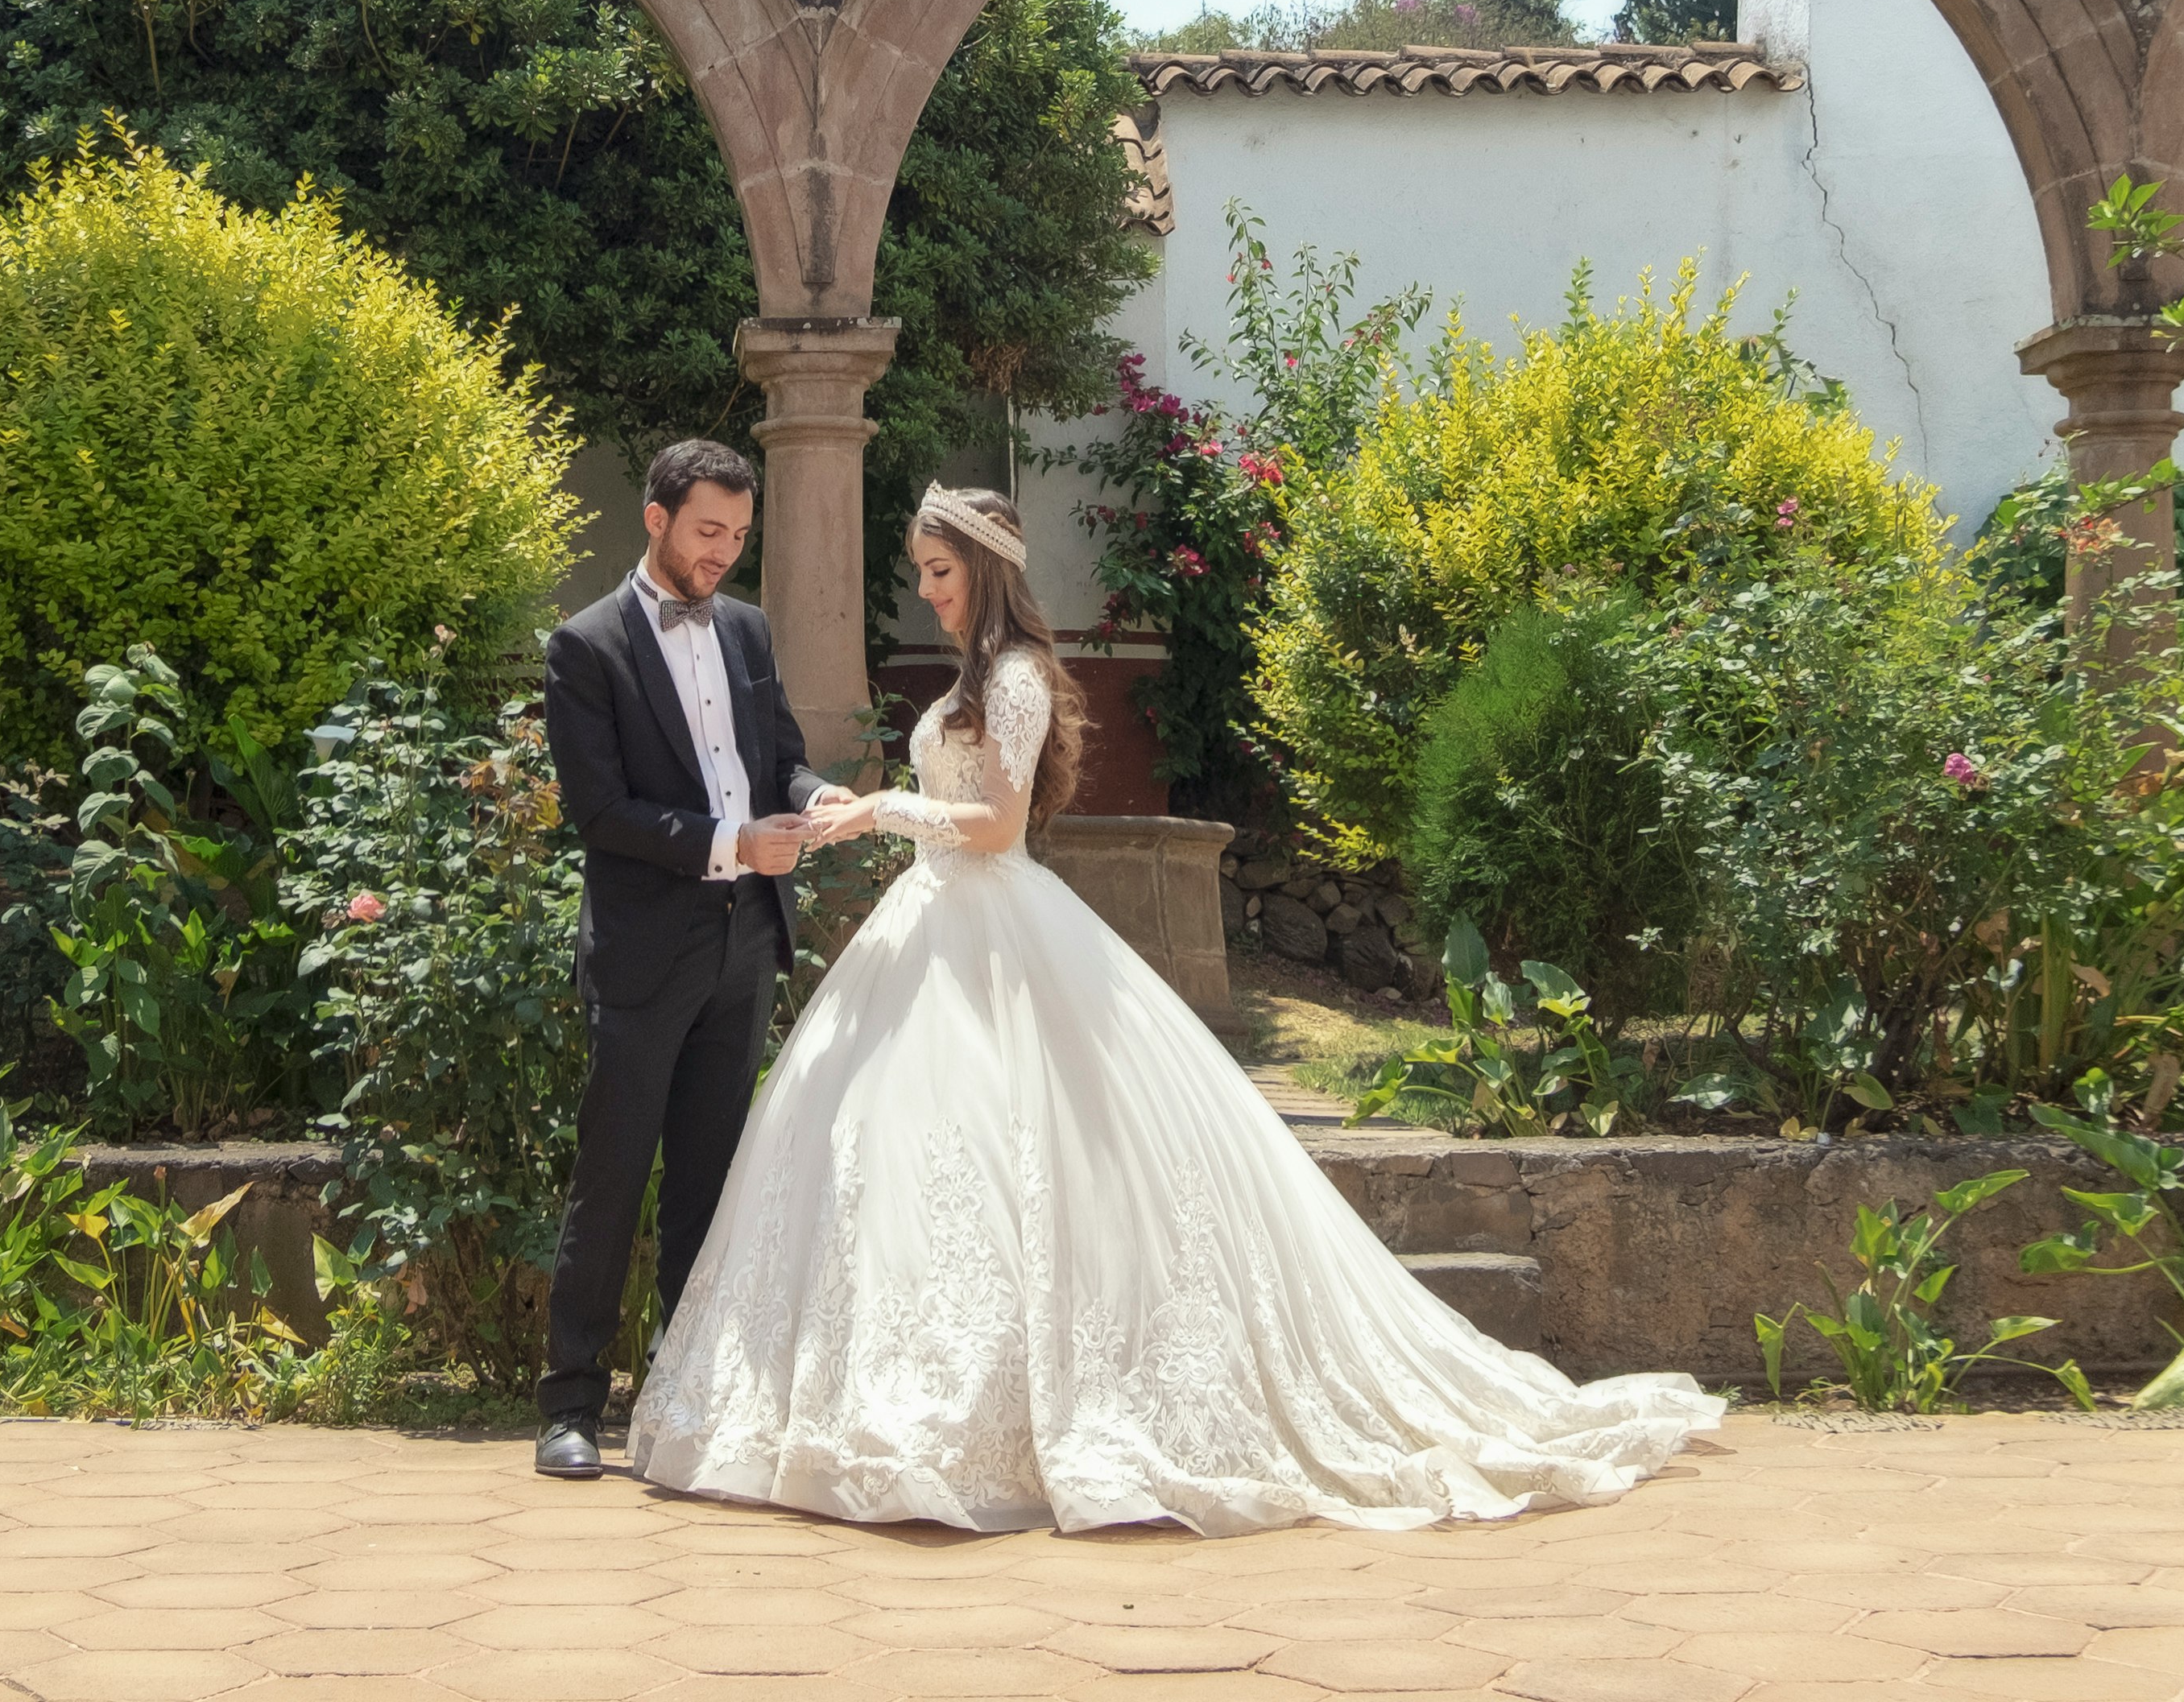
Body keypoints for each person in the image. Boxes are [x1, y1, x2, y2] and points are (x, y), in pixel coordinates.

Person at [626, 485, 1726, 1534]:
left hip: (992, 923)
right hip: (932, 929)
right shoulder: (978, 674)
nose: (930, 591)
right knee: (899, 1156)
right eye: (923, 571)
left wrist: (884, 809)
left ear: (990, 572)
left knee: (1029, 1156)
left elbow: (999, 827)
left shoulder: (1011, 677)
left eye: (942, 570)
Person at [532, 436, 833, 1478]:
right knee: (611, 1175)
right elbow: (599, 811)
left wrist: (810, 799)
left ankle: (686, 1398)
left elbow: (780, 758)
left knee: (711, 1183)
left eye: (739, 537)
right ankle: (569, 1407)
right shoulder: (585, 647)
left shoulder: (746, 630)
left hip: (747, 940)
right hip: (646, 949)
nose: (723, 555)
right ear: (655, 519)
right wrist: (727, 843)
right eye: (709, 532)